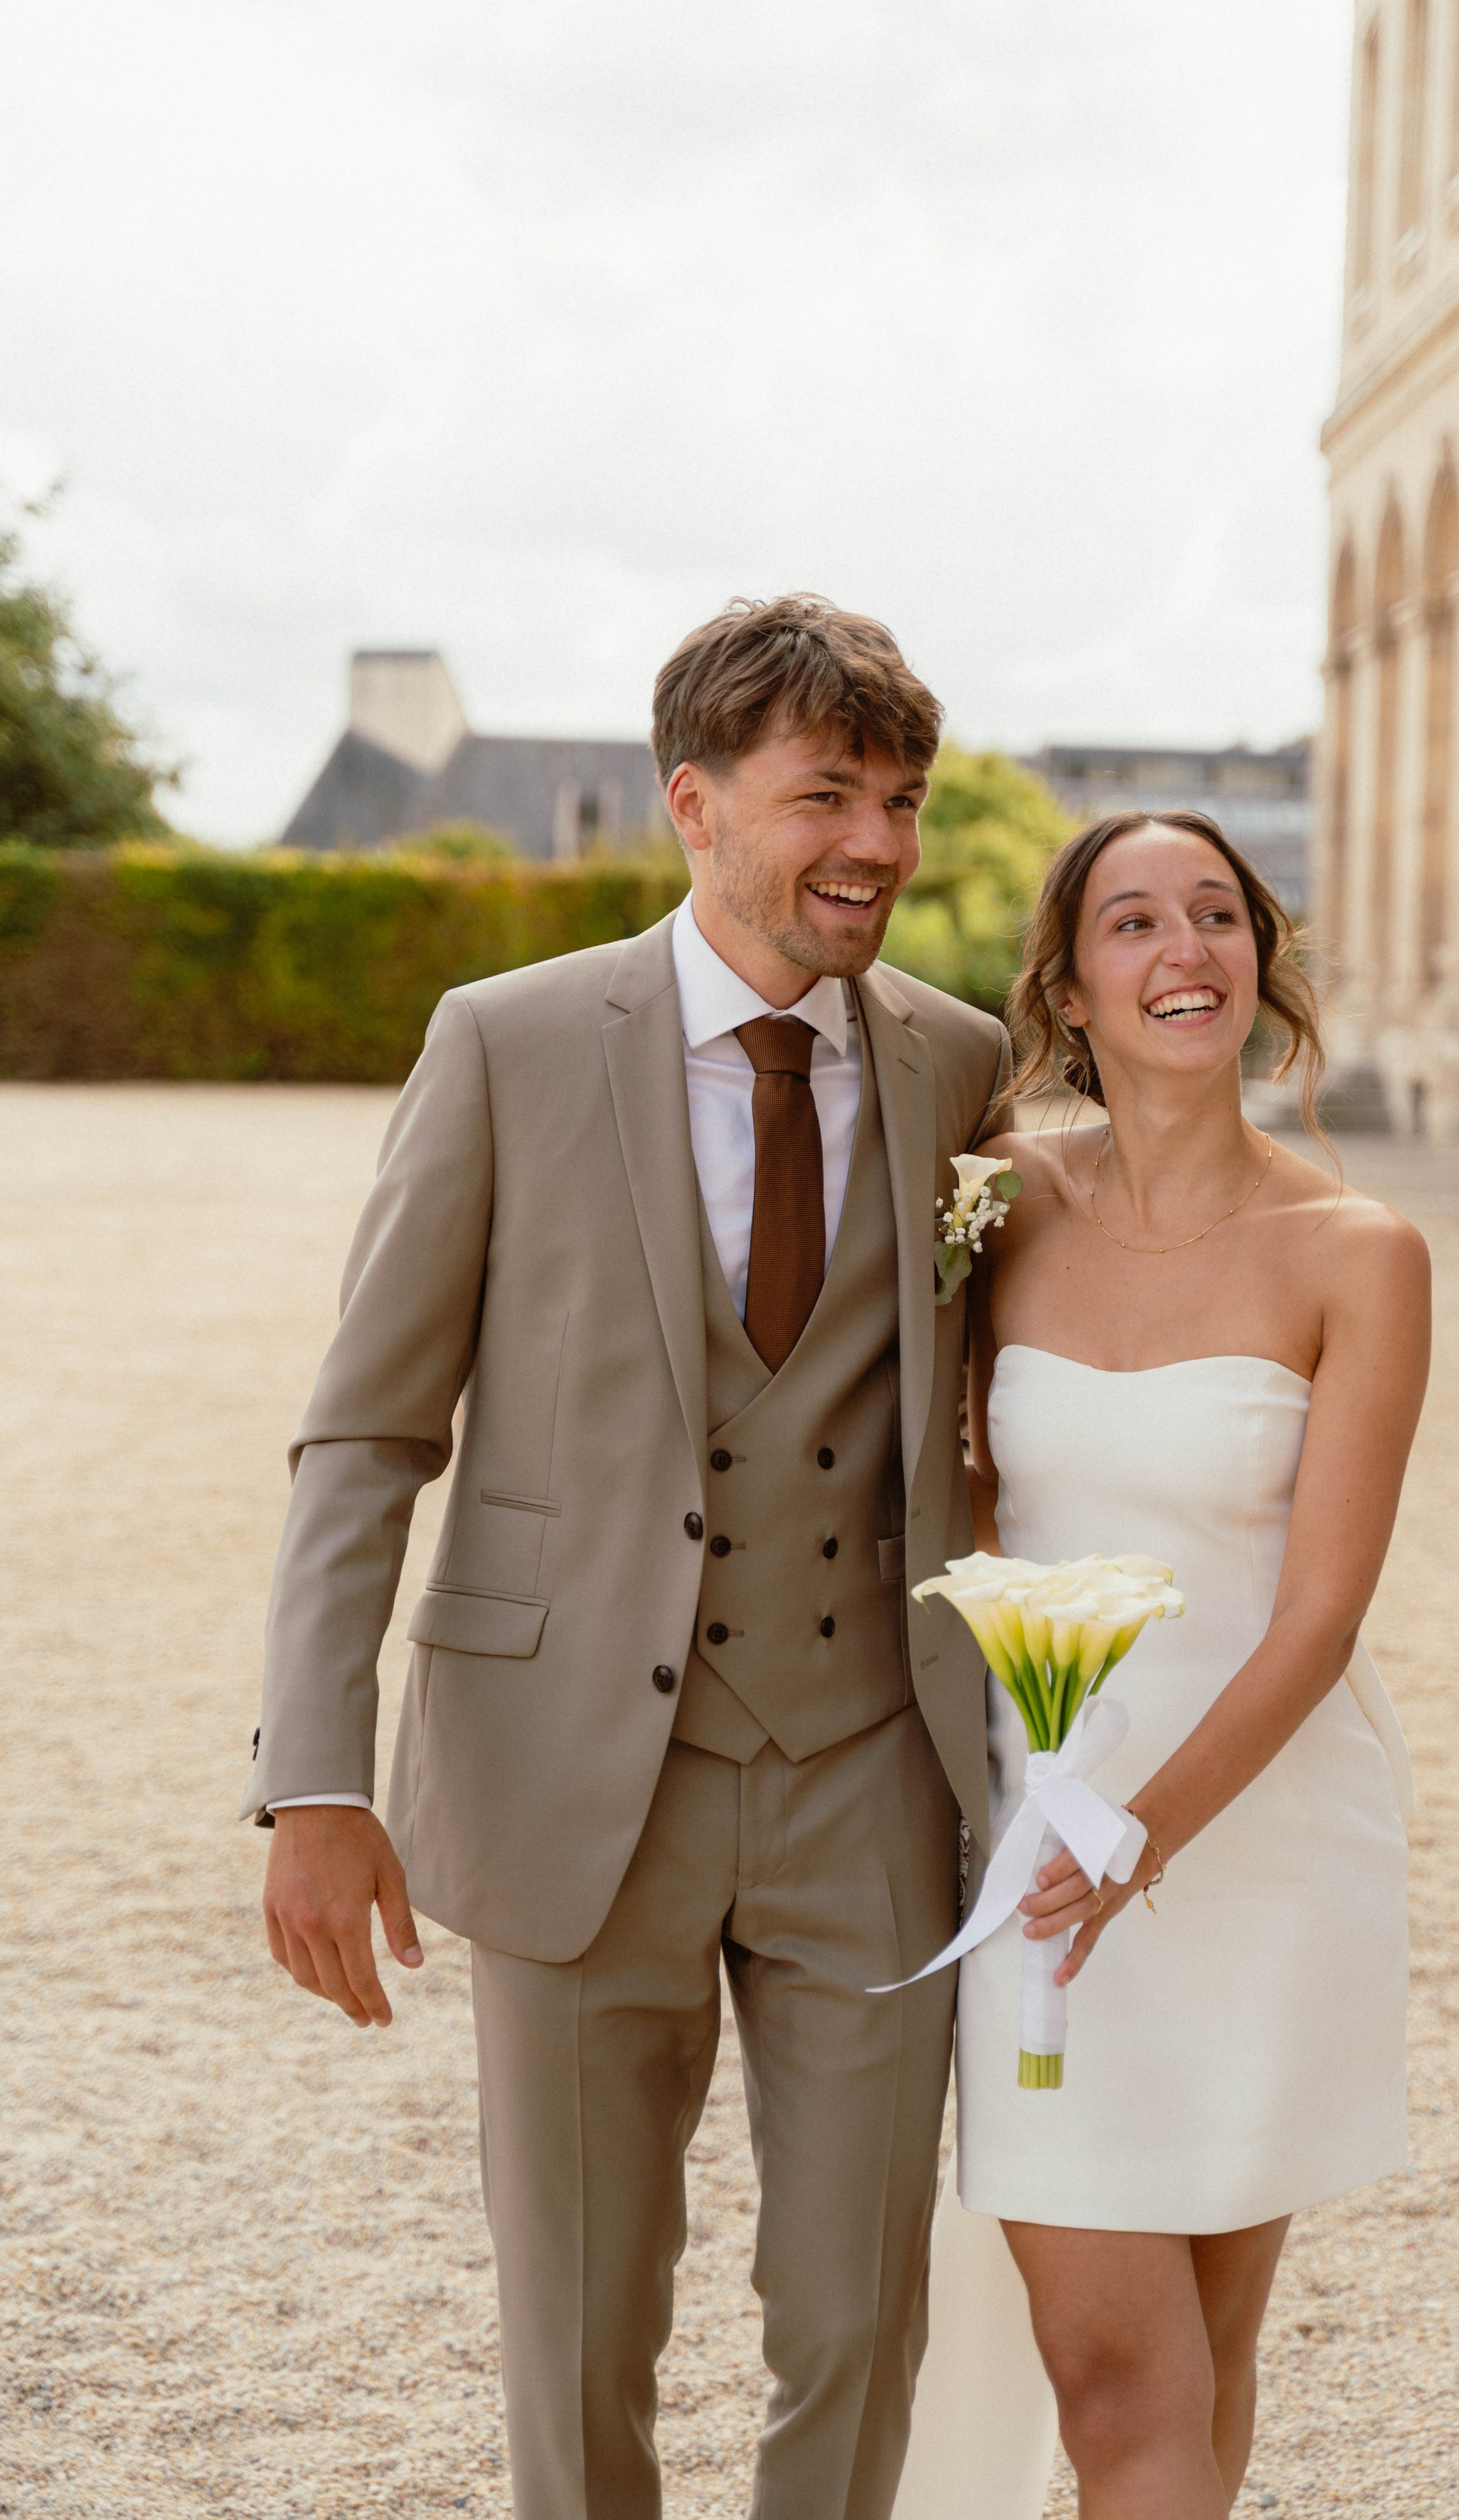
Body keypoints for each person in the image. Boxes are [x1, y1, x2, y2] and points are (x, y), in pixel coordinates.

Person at [243, 595, 1011, 2520]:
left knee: (856, 2316)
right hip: (574, 1770)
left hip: (870, 1778)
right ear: (694, 803)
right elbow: (366, 1431)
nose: (878, 847)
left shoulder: (962, 1064)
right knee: (580, 2335)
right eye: (827, 793)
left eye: (904, 802)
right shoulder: (503, 1045)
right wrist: (315, 1782)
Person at [893, 809, 1427, 2520]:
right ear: (1070, 985)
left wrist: (1140, 1836)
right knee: (1121, 2375)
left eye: (1216, 914)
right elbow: (932, 1484)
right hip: (1033, 1853)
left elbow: (1322, 1615)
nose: (1183, 950)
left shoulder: (1361, 1255)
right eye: (1134, 923)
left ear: (1260, 965)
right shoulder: (996, 1206)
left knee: (1204, 2359)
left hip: (1254, 1848)